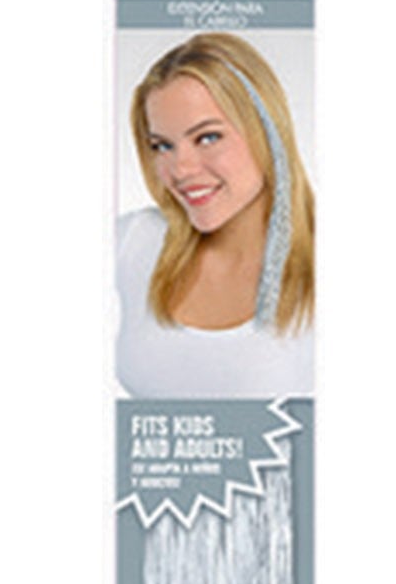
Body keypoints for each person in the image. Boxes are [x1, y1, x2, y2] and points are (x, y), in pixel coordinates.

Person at [117, 33, 315, 398]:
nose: (180, 169)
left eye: (207, 137)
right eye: (162, 146)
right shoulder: (133, 241)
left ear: (268, 131)